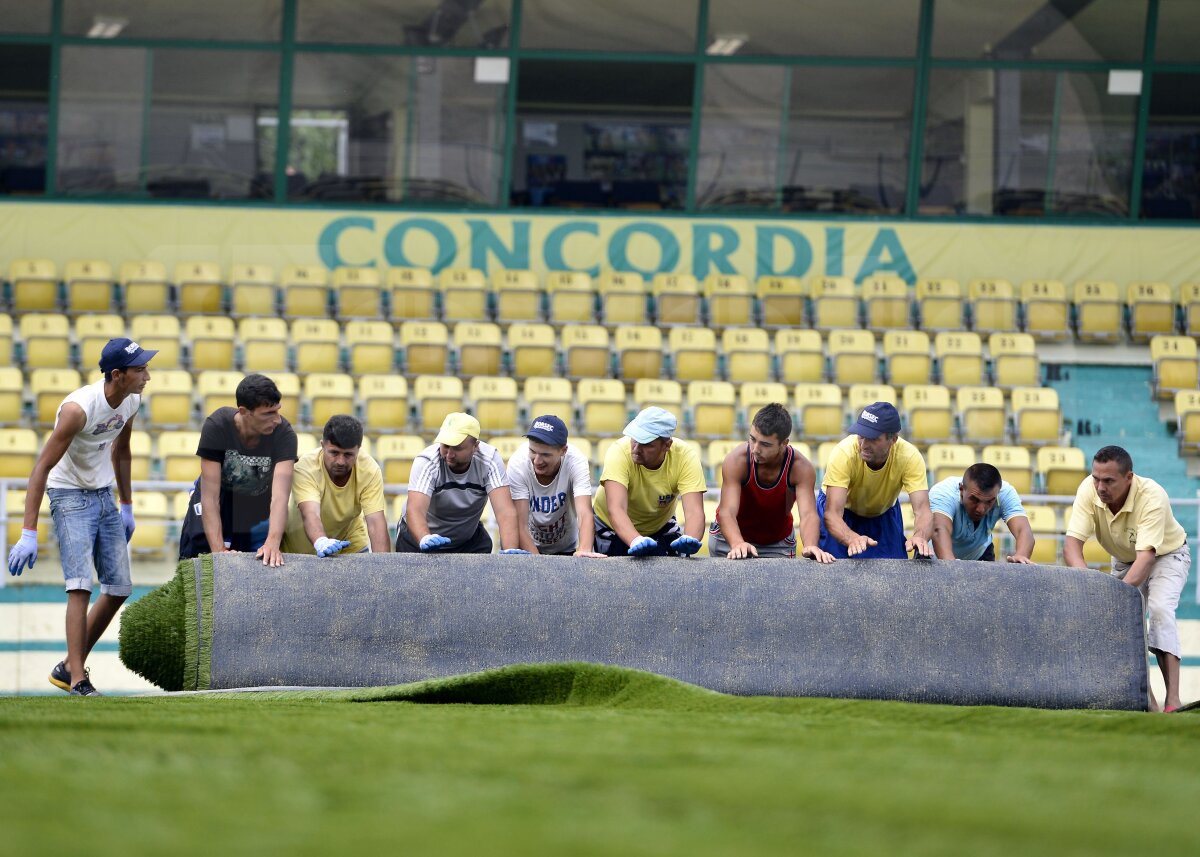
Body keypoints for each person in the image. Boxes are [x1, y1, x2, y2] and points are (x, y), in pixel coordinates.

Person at [6, 337, 156, 696]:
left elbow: (123, 450)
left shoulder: (132, 400)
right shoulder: (78, 409)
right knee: (80, 585)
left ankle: (66, 666)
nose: (147, 376)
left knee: (119, 588)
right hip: (68, 494)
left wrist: (127, 505)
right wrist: (29, 530)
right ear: (117, 375)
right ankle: (78, 681)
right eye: (140, 369)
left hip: (104, 494)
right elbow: (41, 467)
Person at [1063, 445, 1190, 713]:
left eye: (1108, 480)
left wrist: (1114, 595)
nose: (1100, 487)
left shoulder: (1152, 495)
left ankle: (1173, 701)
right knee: (1118, 623)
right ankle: (1149, 703)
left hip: (1167, 554)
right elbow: (1072, 544)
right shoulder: (1089, 488)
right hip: (1123, 558)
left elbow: (1146, 559)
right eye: (1096, 478)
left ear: (1129, 478)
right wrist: (1087, 583)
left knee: (1159, 609)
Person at [178, 373, 297, 567]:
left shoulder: (284, 434)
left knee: (244, 567)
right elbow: (210, 497)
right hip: (219, 495)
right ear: (243, 411)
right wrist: (218, 552)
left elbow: (280, 497)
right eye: (268, 414)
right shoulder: (217, 426)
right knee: (199, 556)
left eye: (277, 411)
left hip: (253, 506)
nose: (276, 419)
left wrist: (273, 543)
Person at [709, 403, 834, 562]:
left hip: (777, 543)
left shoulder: (801, 468)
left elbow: (808, 514)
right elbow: (727, 511)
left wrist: (810, 545)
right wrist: (738, 543)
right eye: (753, 439)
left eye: (765, 444)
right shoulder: (737, 461)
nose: (755, 449)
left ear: (784, 443)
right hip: (731, 538)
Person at [395, 412, 524, 554]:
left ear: (475, 446)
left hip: (467, 540)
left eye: (457, 448)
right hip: (418, 538)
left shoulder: (490, 460)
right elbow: (415, 509)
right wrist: (424, 538)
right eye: (445, 446)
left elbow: (504, 511)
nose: (449, 454)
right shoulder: (427, 461)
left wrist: (511, 551)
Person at [817, 401, 932, 559]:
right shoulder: (843, 453)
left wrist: (920, 536)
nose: (863, 444)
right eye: (861, 435)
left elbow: (923, 510)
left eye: (872, 438)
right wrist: (852, 539)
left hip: (882, 513)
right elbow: (833, 514)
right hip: (843, 513)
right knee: (833, 574)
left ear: (893, 440)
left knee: (894, 575)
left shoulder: (910, 457)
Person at [592, 406, 707, 557]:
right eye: (635, 439)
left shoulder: (685, 457)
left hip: (660, 524)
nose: (636, 448)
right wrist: (635, 539)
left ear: (667, 445)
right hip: (610, 524)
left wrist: (690, 538)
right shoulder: (618, 451)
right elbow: (616, 509)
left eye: (646, 444)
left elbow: (694, 512)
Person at [280, 414, 390, 556]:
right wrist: (321, 541)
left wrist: (383, 565)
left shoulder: (370, 469)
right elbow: (311, 514)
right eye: (334, 453)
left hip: (350, 541)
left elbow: (376, 523)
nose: (340, 461)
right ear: (322, 446)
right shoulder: (305, 468)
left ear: (359, 450)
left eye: (348, 455)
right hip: (301, 545)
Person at [505, 414, 604, 557]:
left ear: (563, 451)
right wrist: (539, 564)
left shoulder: (576, 461)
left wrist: (584, 550)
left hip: (567, 546)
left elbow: (585, 513)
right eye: (532, 451)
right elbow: (520, 524)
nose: (537, 461)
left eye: (545, 454)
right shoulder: (518, 463)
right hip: (528, 546)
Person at [929, 463, 1036, 563]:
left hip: (980, 552)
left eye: (989, 501)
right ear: (961, 489)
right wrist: (953, 570)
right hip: (934, 555)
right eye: (974, 500)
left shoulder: (1006, 493)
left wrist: (1021, 556)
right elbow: (939, 530)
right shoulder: (943, 493)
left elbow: (1024, 530)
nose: (980, 509)